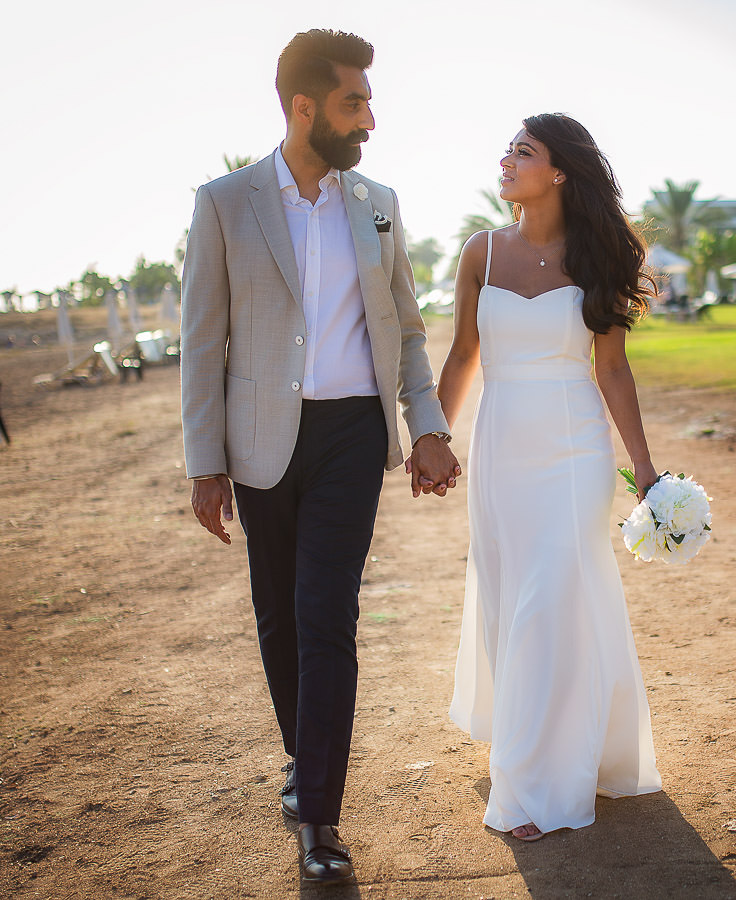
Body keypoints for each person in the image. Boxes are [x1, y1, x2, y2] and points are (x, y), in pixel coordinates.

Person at [180, 29, 460, 885]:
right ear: (304, 107)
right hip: (260, 442)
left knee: (325, 610)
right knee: (278, 617)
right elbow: (203, 338)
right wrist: (205, 461)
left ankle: (320, 816)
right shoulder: (225, 202)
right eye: (353, 101)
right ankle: (305, 761)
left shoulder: (376, 202)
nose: (369, 117)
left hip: (348, 436)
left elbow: (406, 328)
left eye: (368, 101)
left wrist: (429, 427)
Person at [438, 113, 663, 842]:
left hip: (575, 453)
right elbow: (463, 355)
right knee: (515, 602)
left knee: (549, 604)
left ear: (560, 170)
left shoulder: (596, 254)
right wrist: (431, 437)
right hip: (502, 450)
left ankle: (537, 786)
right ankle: (564, 746)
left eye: (523, 151)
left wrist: (646, 468)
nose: (505, 160)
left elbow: (613, 369)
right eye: (506, 149)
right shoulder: (480, 250)